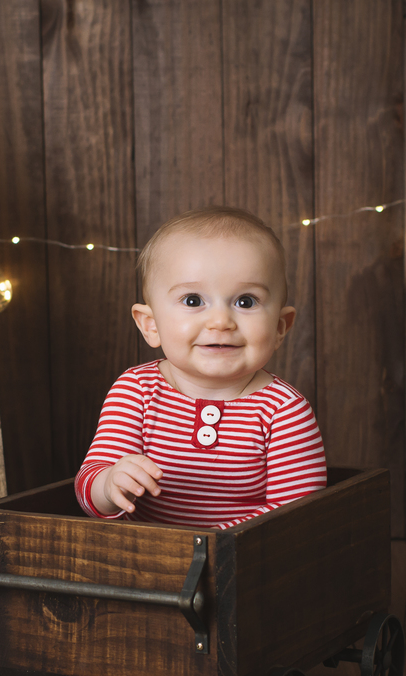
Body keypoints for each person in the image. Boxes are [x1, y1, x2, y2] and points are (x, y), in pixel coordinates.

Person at [75, 206, 327, 529]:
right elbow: (88, 487)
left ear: (280, 327)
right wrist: (109, 484)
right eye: (193, 301)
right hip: (144, 566)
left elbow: (295, 515)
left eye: (245, 302)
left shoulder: (284, 411)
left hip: (245, 568)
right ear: (151, 325)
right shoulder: (135, 391)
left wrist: (212, 544)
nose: (221, 321)